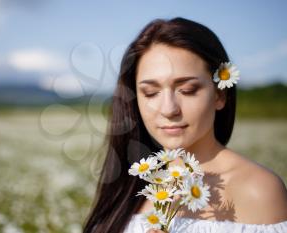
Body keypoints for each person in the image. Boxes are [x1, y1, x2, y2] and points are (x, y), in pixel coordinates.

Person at [82, 17, 287, 233]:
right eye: (150, 93)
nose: (169, 109)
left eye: (188, 90)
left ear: (219, 95)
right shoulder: (130, 185)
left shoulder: (258, 190)